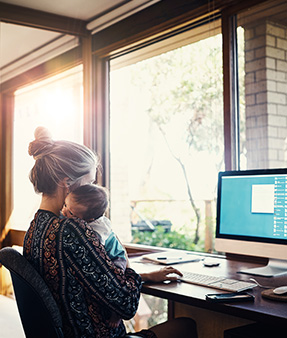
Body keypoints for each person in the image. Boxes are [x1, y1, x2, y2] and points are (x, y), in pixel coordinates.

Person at [24, 126, 198, 338]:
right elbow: (126, 305)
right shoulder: (72, 230)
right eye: (88, 182)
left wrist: (144, 277)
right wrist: (130, 269)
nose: (91, 190)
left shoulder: (35, 228)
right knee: (186, 326)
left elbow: (84, 280)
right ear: (67, 183)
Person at [62, 183, 126, 328]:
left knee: (116, 282)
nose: (64, 211)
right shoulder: (83, 220)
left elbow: (95, 248)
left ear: (88, 220)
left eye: (70, 213)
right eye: (65, 204)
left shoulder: (97, 230)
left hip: (116, 258)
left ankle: (117, 314)